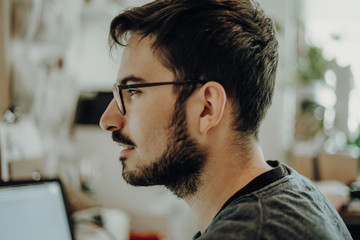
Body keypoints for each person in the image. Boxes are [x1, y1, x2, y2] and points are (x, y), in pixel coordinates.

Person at [99, 0, 352, 239]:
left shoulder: (251, 232)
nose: (107, 119)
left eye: (133, 91)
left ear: (207, 108)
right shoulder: (294, 192)